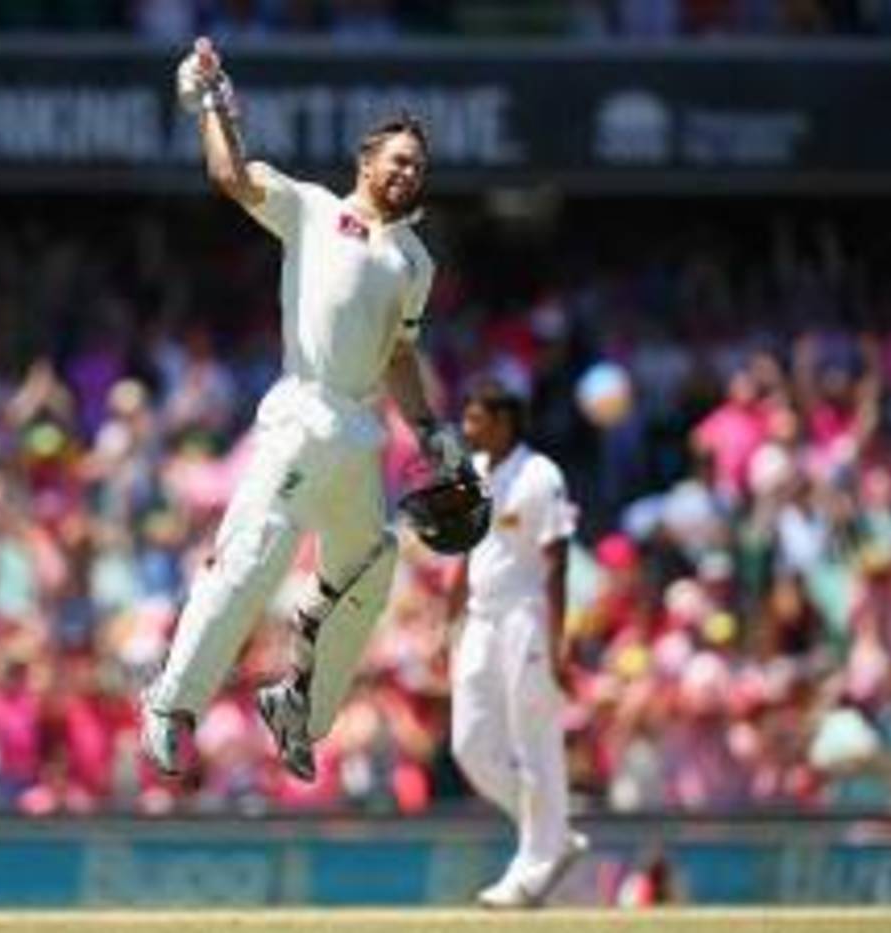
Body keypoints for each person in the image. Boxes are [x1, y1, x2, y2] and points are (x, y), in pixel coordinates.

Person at [140, 36, 465, 783]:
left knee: (370, 571)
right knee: (253, 555)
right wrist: (210, 103)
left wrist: (432, 433)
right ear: (367, 162)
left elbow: (398, 356)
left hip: (359, 433)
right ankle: (170, 698)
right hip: (303, 413)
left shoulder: (416, 263)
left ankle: (300, 709)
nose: (409, 172)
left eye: (419, 165)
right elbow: (229, 175)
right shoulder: (314, 211)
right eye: (399, 160)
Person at [447, 379, 587, 908]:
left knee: (534, 743)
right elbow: (466, 553)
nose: (466, 427)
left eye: (475, 418)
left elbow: (558, 561)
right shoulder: (477, 474)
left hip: (527, 616)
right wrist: (449, 618)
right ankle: (554, 837)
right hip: (482, 620)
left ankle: (533, 866)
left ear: (504, 422)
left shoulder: (540, 475)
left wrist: (558, 639)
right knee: (471, 745)